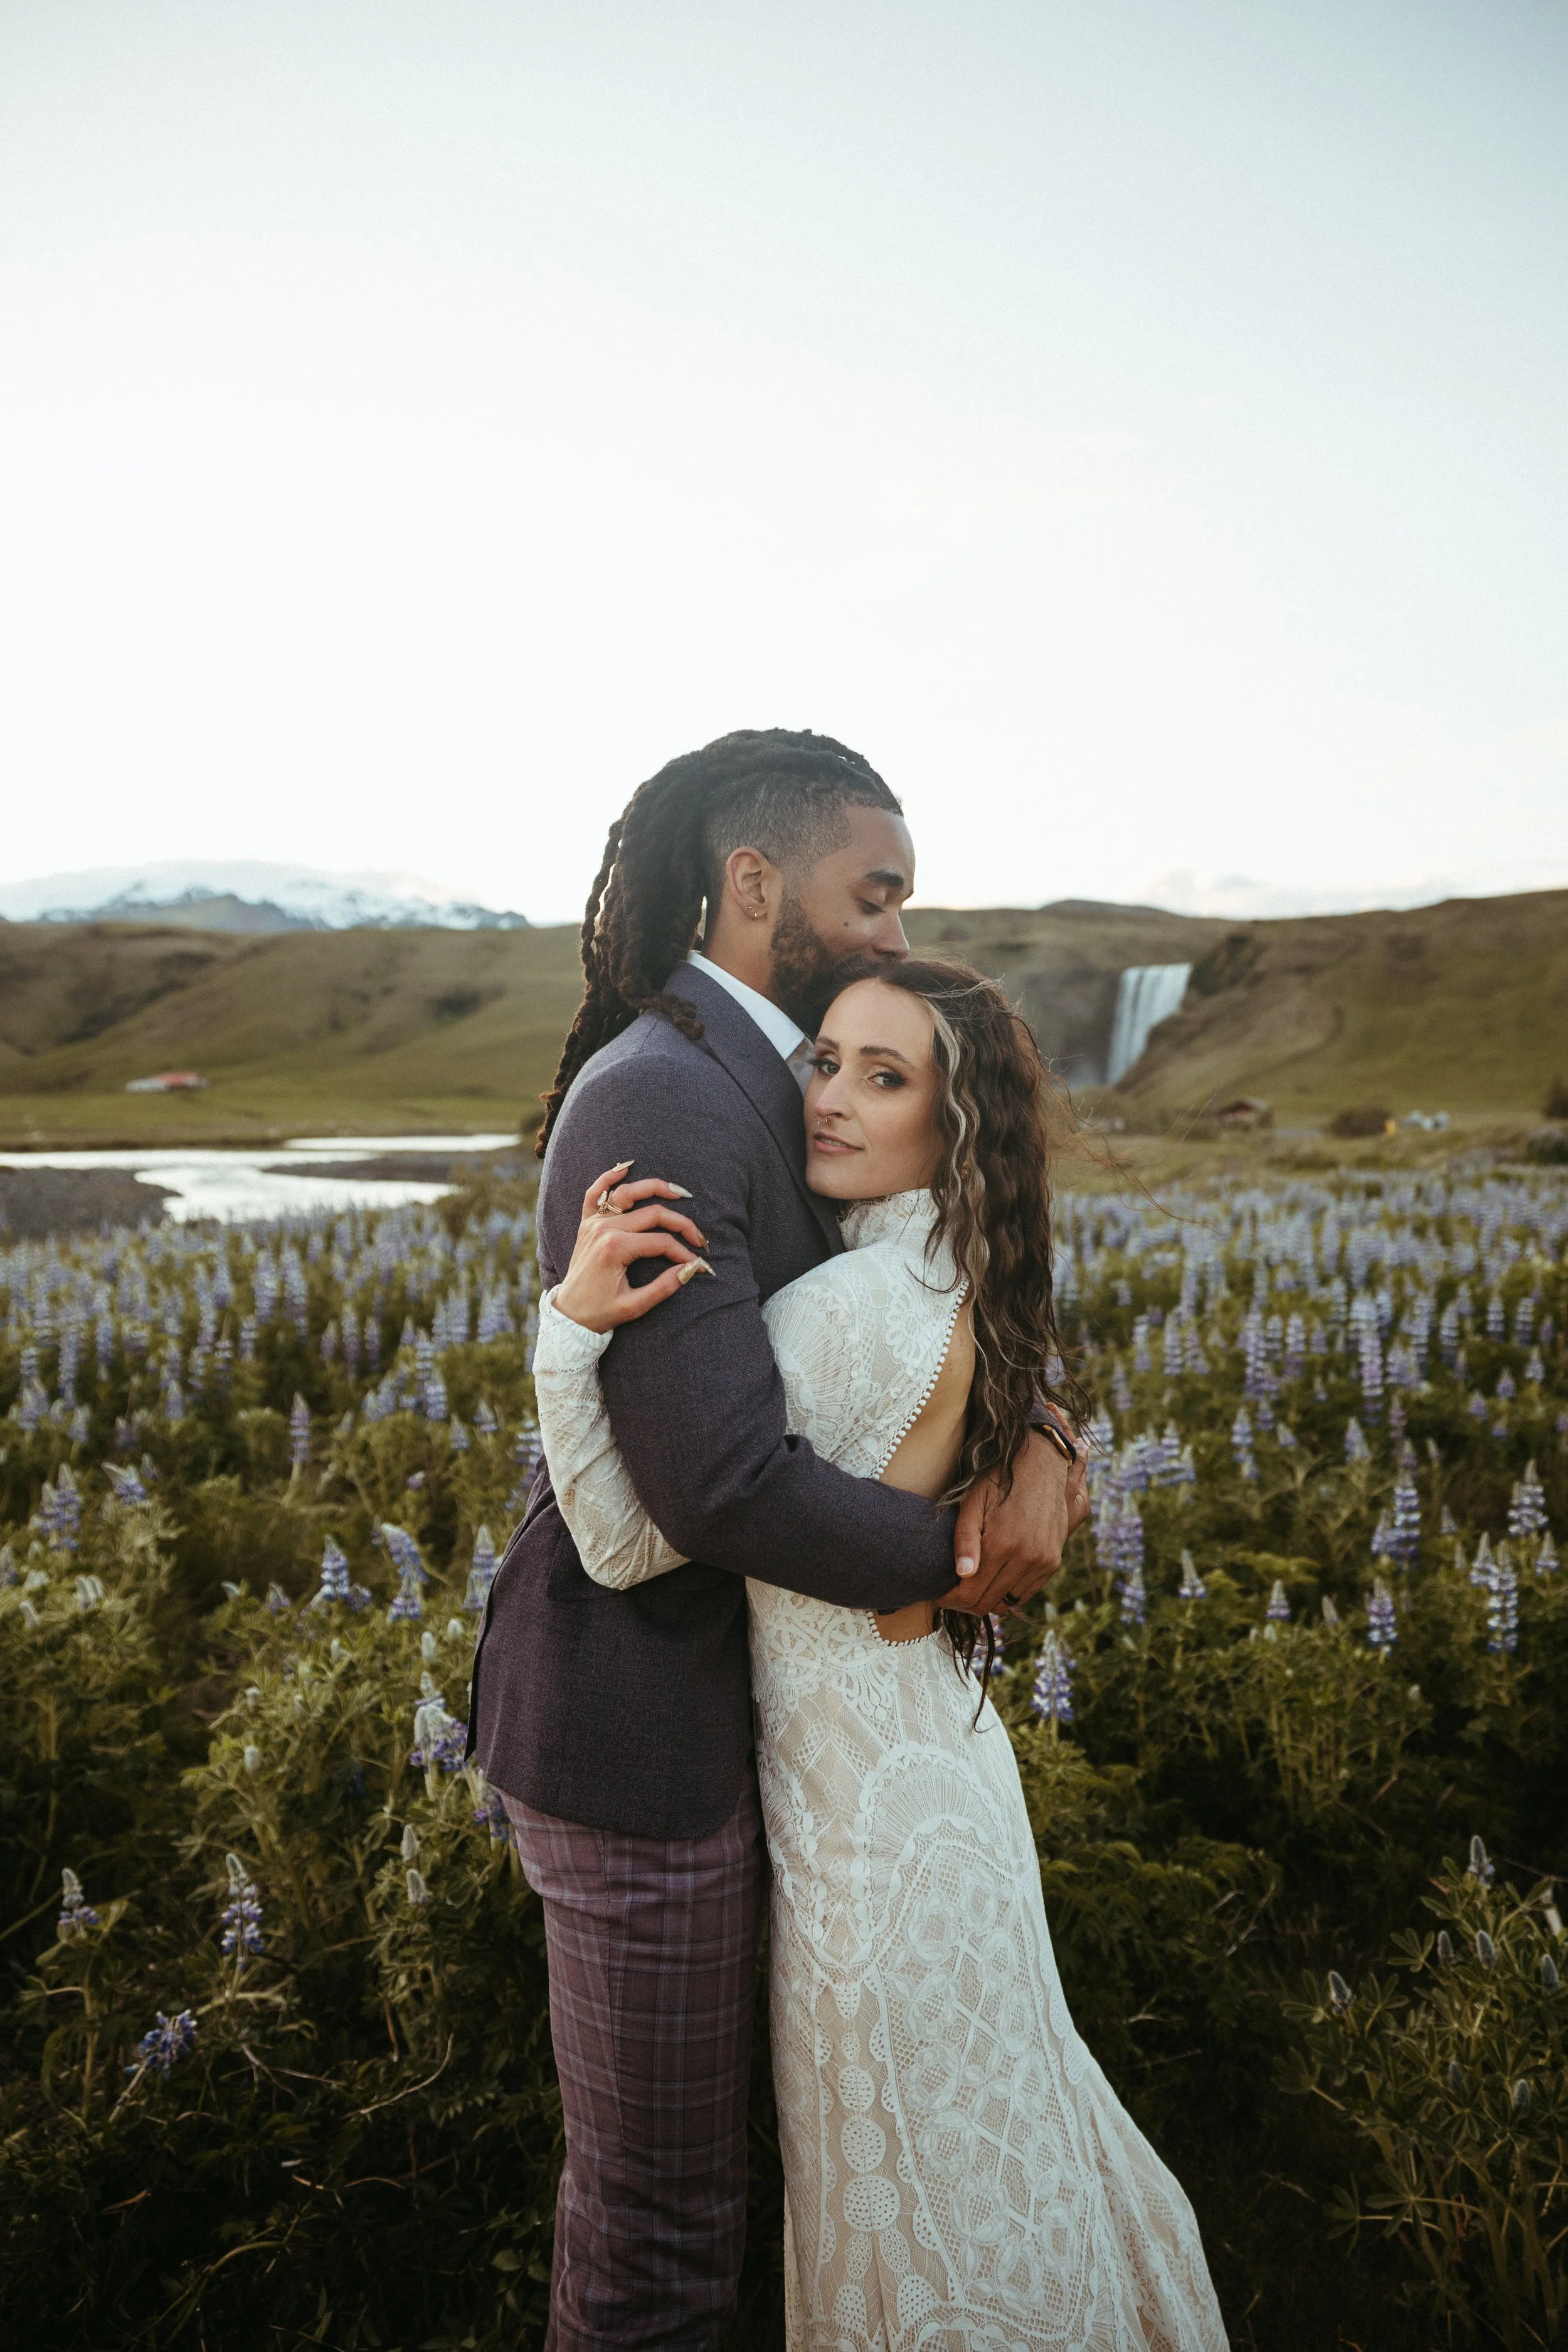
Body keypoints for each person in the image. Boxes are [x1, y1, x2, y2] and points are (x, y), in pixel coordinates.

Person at [467, 728, 1089, 2348]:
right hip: (636, 1739)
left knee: (728, 2215)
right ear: (755, 886)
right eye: (870, 894)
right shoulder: (668, 1090)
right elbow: (723, 1480)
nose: (894, 932)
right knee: (663, 2243)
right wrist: (954, 1549)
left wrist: (1044, 1434)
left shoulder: (778, 1075)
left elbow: (949, 1253)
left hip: (757, 1728)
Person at [534, 960, 1229, 2351]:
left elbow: (624, 1538)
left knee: (907, 2204)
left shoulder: (844, 1311)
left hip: (861, 1830)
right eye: (826, 1061)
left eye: (883, 1077)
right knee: (992, 2148)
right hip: (938, 1781)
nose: (831, 1101)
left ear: (951, 1127)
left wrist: (567, 1329)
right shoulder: (942, 1271)